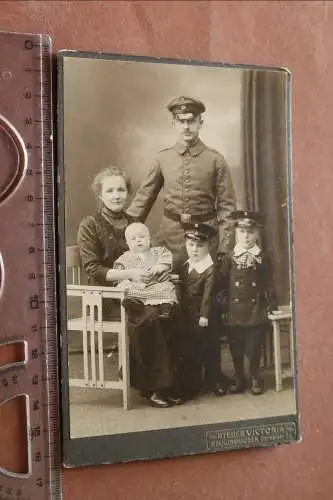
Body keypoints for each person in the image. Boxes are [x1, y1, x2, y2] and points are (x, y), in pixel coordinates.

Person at [77, 166, 176, 408]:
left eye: (120, 189)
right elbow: (93, 269)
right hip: (106, 296)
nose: (116, 195)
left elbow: (149, 255)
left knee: (172, 309)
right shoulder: (90, 225)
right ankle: (155, 388)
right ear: (100, 195)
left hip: (142, 289)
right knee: (148, 315)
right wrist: (129, 273)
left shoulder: (135, 222)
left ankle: (166, 378)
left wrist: (157, 272)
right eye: (109, 190)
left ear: (128, 193)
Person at [126, 96, 236, 271]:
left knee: (202, 290)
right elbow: (143, 199)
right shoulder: (162, 158)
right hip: (169, 238)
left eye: (191, 121)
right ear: (173, 124)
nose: (186, 126)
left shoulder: (216, 160)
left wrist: (224, 247)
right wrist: (126, 231)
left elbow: (227, 208)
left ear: (201, 123)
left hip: (205, 239)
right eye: (181, 121)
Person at [217, 210, 278, 395]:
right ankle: (239, 377)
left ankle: (254, 376)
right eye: (242, 232)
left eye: (250, 232)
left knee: (253, 347)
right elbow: (221, 285)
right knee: (236, 346)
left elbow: (269, 283)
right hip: (234, 311)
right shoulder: (229, 257)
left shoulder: (262, 258)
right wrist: (223, 305)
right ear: (236, 233)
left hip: (255, 310)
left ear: (258, 234)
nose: (246, 236)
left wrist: (271, 305)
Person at [172, 222, 229, 400]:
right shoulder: (185, 265)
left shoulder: (210, 269)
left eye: (199, 246)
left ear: (209, 245)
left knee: (210, 347)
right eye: (191, 245)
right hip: (188, 314)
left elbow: (208, 295)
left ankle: (214, 379)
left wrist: (204, 315)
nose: (194, 250)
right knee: (191, 349)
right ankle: (193, 383)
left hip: (206, 316)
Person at [113, 222, 178, 322]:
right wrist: (127, 279)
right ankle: (135, 304)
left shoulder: (158, 251)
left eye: (142, 237)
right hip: (136, 287)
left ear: (149, 239)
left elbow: (167, 259)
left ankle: (165, 308)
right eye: (133, 239)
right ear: (127, 243)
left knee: (168, 287)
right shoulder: (124, 258)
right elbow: (118, 273)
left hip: (155, 284)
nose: (138, 240)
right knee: (123, 287)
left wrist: (160, 266)